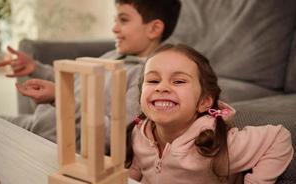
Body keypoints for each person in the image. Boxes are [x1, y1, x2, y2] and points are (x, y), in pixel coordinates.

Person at [0, 0, 181, 152]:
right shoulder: (113, 55)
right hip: (35, 123)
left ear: (154, 29)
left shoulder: (146, 79)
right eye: (115, 20)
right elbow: (73, 82)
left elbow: (113, 137)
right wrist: (35, 68)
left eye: (123, 20)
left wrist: (60, 98)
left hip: (56, 143)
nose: (114, 29)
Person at [126, 44, 294, 183]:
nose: (161, 87)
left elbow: (279, 137)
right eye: (153, 80)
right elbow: (135, 170)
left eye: (178, 81)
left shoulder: (217, 143)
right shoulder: (139, 134)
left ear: (204, 102)